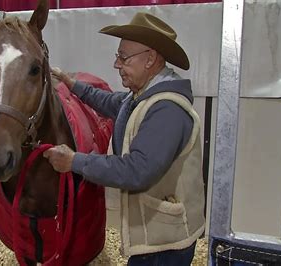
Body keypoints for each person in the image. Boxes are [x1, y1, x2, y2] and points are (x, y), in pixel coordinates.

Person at [43, 12, 205, 266]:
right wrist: (70, 83)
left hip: (165, 246)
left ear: (150, 58)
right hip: (153, 236)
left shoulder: (167, 110)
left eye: (123, 57)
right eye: (117, 56)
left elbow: (137, 170)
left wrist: (74, 161)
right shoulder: (140, 97)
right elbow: (109, 102)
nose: (116, 64)